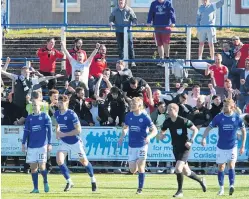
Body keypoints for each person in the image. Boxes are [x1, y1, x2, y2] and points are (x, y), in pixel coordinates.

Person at [159, 103, 206, 198]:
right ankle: (201, 180)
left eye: (170, 109)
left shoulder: (183, 120)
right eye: (168, 109)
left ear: (175, 110)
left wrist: (191, 141)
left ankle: (180, 192)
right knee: (186, 172)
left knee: (178, 169)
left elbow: (195, 130)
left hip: (185, 148)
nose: (168, 111)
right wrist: (161, 135)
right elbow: (162, 131)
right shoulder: (167, 121)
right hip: (175, 148)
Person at [201, 98, 246, 196]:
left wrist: (242, 145)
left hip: (232, 146)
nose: (224, 107)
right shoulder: (219, 117)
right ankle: (221, 189)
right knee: (221, 167)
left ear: (232, 107)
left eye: (226, 106)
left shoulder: (237, 118)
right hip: (221, 146)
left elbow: (243, 131)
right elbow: (209, 127)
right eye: (224, 106)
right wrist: (204, 138)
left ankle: (231, 186)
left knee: (231, 165)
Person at [54, 95, 97, 192]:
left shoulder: (71, 114)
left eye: (61, 103)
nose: (59, 105)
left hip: (75, 141)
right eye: (59, 103)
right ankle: (69, 182)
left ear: (66, 103)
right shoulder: (56, 113)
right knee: (59, 160)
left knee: (84, 162)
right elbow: (57, 125)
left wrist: (64, 134)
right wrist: (57, 132)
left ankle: (93, 179)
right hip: (64, 141)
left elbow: (78, 130)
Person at [118, 97, 157, 194]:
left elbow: (155, 130)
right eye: (131, 104)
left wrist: (149, 137)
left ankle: (140, 189)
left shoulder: (145, 117)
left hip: (142, 145)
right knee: (132, 169)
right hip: (132, 145)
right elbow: (125, 127)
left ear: (139, 106)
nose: (131, 106)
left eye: (134, 105)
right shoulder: (128, 116)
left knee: (141, 166)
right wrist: (122, 135)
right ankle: (136, 172)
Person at [22, 100, 52, 193]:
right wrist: (23, 143)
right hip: (31, 146)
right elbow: (26, 131)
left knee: (42, 166)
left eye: (36, 105)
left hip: (42, 145)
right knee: (33, 167)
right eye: (33, 105)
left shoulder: (44, 116)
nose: (35, 107)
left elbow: (50, 130)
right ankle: (36, 188)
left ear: (40, 106)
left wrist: (49, 143)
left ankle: (45, 182)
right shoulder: (29, 118)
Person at [147, 0, 176, 66]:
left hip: (166, 26)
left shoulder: (168, 3)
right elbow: (150, 13)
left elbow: (172, 12)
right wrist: (149, 21)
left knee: (166, 42)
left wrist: (173, 22)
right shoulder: (153, 3)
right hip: (157, 26)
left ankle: (167, 58)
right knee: (159, 44)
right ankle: (161, 59)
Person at [109, 0, 137, 67]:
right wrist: (111, 22)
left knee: (130, 46)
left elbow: (134, 18)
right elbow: (111, 18)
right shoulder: (115, 10)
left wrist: (134, 23)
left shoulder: (129, 10)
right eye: (119, 1)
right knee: (120, 46)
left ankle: (132, 61)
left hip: (127, 31)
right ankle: (121, 62)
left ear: (125, 2)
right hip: (119, 31)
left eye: (122, 1)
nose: (120, 2)